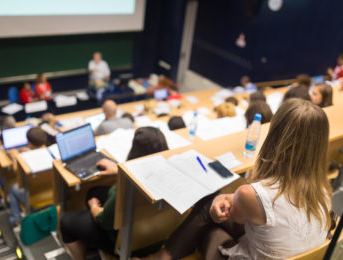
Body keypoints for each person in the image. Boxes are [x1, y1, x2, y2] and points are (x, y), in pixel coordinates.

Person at [138, 98, 332, 260]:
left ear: (275, 136)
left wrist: (226, 199)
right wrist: (229, 198)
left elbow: (238, 212)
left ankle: (162, 256)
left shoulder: (251, 195)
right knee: (214, 207)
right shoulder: (324, 190)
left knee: (210, 228)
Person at [60, 127, 169, 260]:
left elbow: (103, 220)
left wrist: (94, 207)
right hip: (157, 237)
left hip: (129, 244)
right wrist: (119, 170)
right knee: (94, 192)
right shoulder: (167, 176)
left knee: (66, 221)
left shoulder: (127, 190)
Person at [8, 127, 48, 225]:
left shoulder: (25, 157)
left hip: (34, 197)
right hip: (53, 194)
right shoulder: (53, 151)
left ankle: (15, 219)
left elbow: (15, 171)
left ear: (30, 143)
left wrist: (15, 157)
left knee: (13, 187)